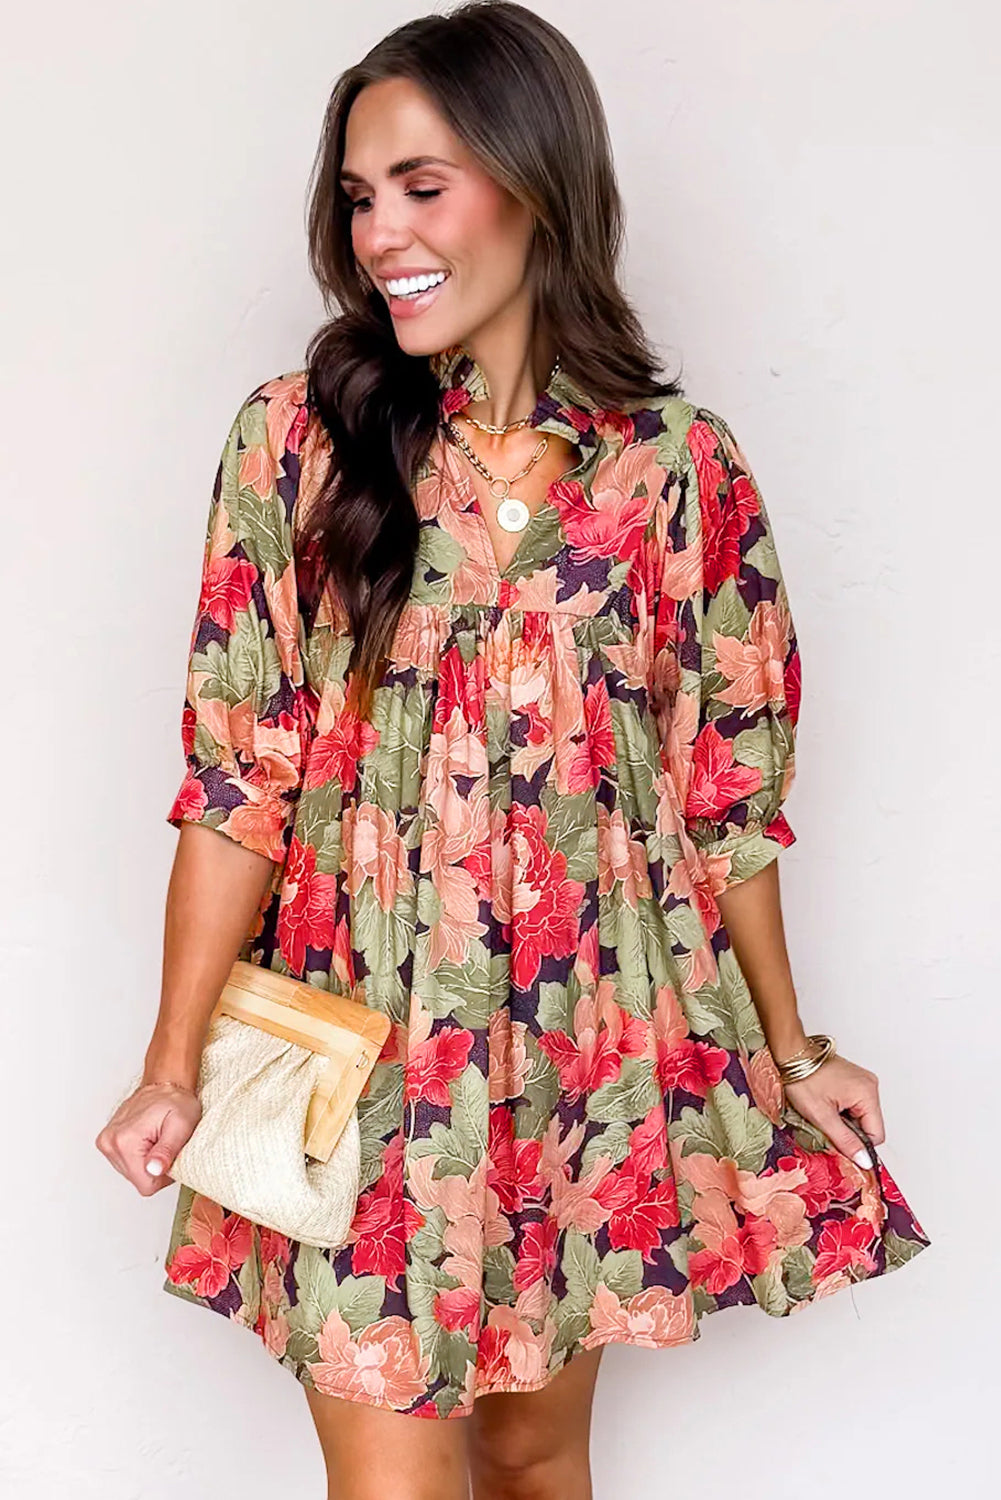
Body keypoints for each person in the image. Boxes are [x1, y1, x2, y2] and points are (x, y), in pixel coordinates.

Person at [95, 4, 930, 1496]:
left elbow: (727, 802)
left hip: (584, 1056)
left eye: (422, 186)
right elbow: (237, 782)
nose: (381, 235)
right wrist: (170, 1070)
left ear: (537, 185)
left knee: (539, 1459)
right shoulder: (297, 442)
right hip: (361, 1056)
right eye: (361, 196)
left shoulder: (676, 471)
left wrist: (793, 1049)